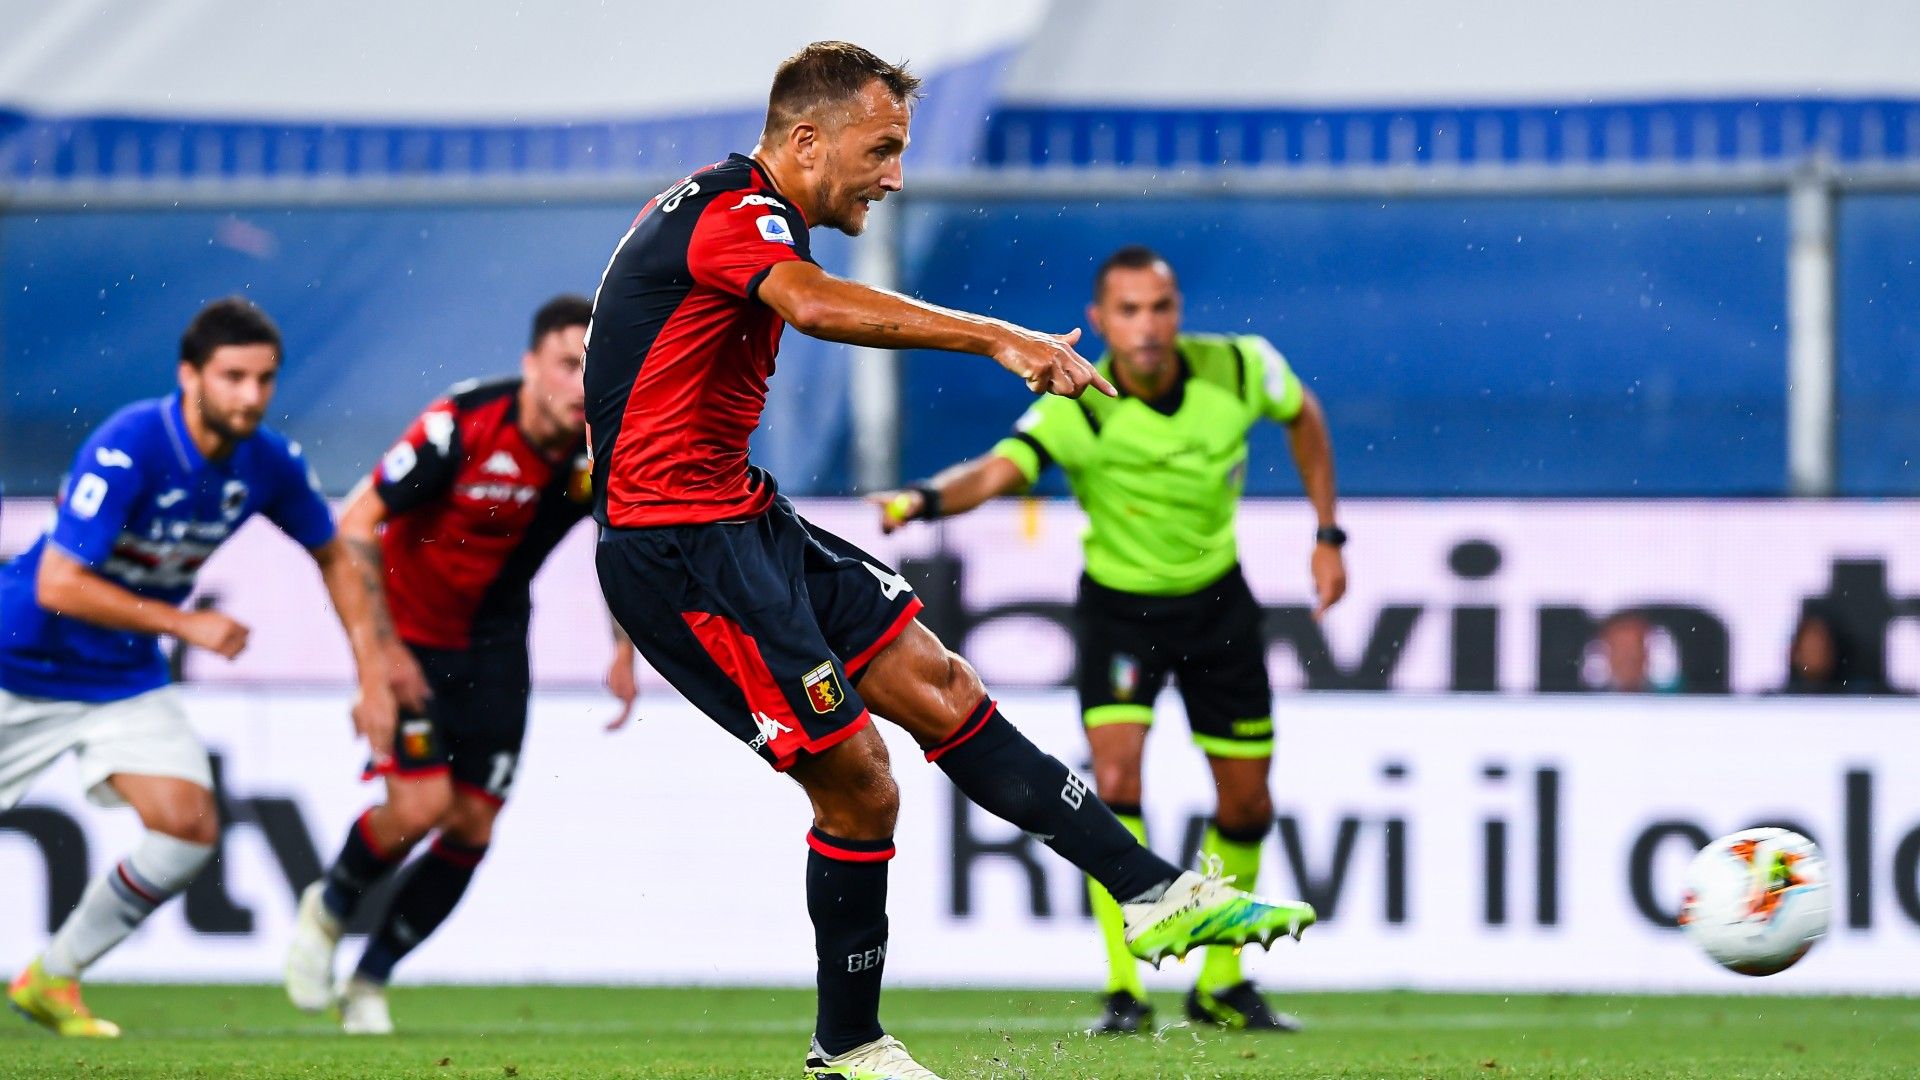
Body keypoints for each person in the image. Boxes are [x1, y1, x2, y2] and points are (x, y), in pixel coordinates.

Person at [583, 41, 1315, 1080]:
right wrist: (997, 338)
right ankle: (848, 1044)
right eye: (881, 150)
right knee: (861, 788)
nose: (895, 175)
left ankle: (1153, 894)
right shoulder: (739, 213)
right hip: (681, 551)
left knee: (940, 682)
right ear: (805, 141)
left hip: (740, 518)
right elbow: (817, 307)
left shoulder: (731, 212)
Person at [873, 246, 1347, 1035]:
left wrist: (1328, 532)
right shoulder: (1078, 401)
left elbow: (1305, 416)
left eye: (1159, 307)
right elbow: (1001, 470)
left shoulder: (1240, 369)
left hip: (1219, 608)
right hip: (1121, 616)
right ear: (1099, 322)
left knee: (1246, 799)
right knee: (1117, 779)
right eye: (1128, 311)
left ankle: (1220, 987)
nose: (1147, 326)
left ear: (1178, 310)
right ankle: (1127, 991)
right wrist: (923, 499)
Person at [0, 298, 395, 1037]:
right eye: (233, 377)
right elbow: (58, 584)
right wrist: (186, 623)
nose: (250, 396)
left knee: (187, 829)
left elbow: (334, 556)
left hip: (119, 676)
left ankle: (52, 977)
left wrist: (370, 675)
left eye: (265, 379)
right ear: (190, 376)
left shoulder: (267, 461)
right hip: (18, 661)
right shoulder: (132, 443)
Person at [284, 296, 638, 1033]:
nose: (582, 383)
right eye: (568, 365)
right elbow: (356, 524)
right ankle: (332, 905)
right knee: (419, 808)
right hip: (410, 640)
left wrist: (624, 647)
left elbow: (621, 547)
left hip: (497, 650)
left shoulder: (598, 452)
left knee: (473, 824)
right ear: (531, 367)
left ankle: (372, 979)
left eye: (593, 368)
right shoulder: (463, 424)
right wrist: (379, 659)